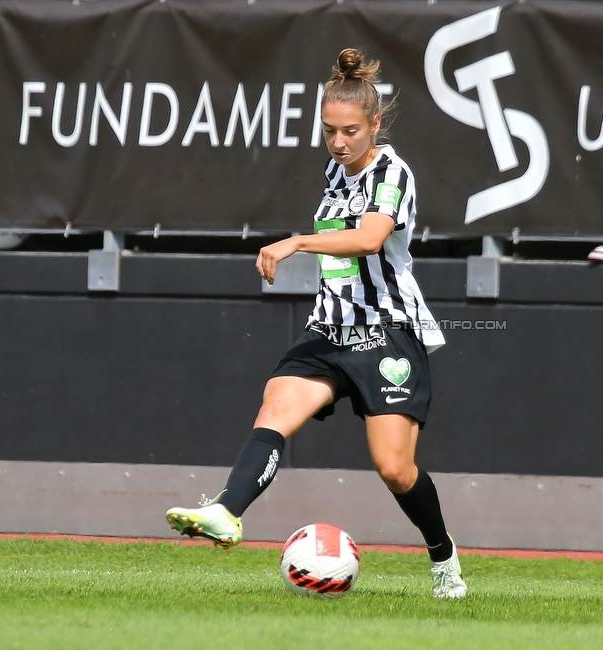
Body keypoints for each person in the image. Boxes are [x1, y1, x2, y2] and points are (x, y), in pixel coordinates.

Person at [165, 48, 467, 599]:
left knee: (396, 469)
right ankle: (228, 512)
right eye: (330, 131)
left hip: (387, 330)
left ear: (374, 125)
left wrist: (298, 240)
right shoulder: (335, 170)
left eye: (350, 131)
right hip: (331, 326)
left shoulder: (393, 171)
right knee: (275, 405)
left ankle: (443, 556)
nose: (339, 142)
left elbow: (371, 237)